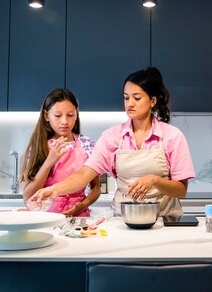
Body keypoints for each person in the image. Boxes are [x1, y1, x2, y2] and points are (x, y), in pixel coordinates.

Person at [30, 67, 195, 217]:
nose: (129, 104)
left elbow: (181, 190)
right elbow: (83, 175)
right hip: (124, 219)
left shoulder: (172, 136)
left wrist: (155, 180)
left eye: (137, 98)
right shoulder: (112, 137)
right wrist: (52, 190)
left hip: (164, 220)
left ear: (152, 101)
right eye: (126, 97)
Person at [21, 88, 100, 217]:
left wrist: (82, 205)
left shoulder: (87, 144)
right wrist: (48, 162)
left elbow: (96, 189)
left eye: (70, 115)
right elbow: (28, 196)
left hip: (79, 217)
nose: (65, 121)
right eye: (58, 116)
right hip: (45, 218)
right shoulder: (39, 146)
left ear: (76, 114)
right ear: (47, 116)